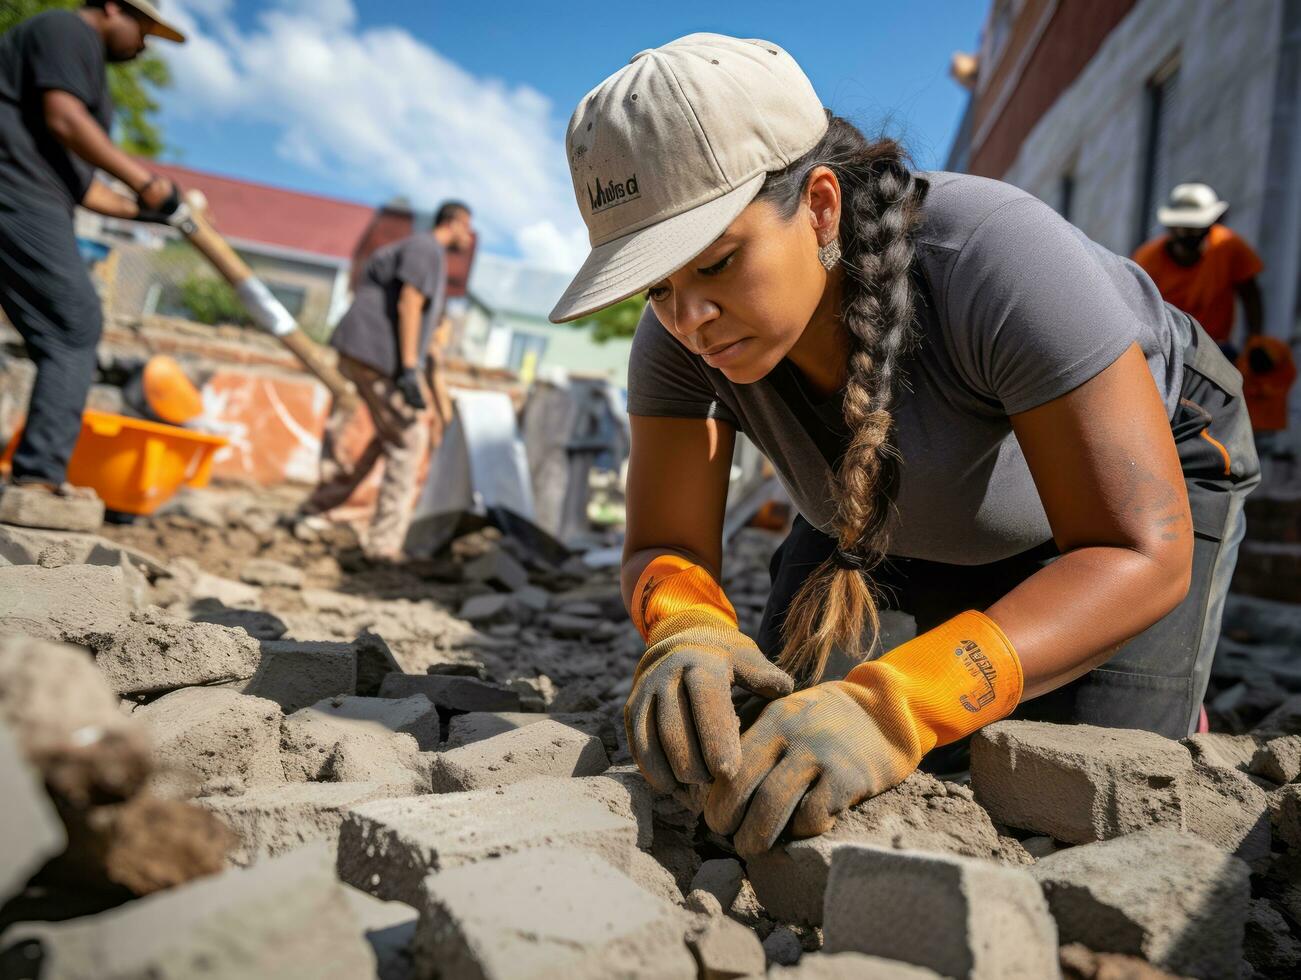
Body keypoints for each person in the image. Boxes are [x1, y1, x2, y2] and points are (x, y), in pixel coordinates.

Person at [547, 34, 1259, 857]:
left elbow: (1138, 548)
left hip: (1125, 502)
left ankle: (1165, 688)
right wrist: (687, 625)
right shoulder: (683, 335)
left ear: (819, 207)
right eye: (656, 286)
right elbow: (664, 544)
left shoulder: (995, 260)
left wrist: (898, 705)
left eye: (717, 263)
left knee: (1076, 795)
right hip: (877, 503)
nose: (687, 318)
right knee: (775, 750)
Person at [0, 1, 187, 523]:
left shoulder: (83, 71)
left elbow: (84, 188)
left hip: (29, 197)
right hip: (13, 194)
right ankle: (37, 480)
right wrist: (147, 182)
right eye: (145, 30)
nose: (145, 44)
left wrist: (150, 213)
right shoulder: (65, 31)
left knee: (58, 330)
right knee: (73, 324)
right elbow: (65, 118)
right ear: (111, 7)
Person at [303, 202, 475, 560]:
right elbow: (409, 303)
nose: (469, 236)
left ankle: (314, 513)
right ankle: (383, 546)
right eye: (467, 228)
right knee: (410, 439)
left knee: (385, 436)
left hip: (365, 350)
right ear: (455, 222)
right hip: (375, 352)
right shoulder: (426, 248)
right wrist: (408, 369)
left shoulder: (423, 251)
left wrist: (423, 376)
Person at [1133, 183, 1265, 359]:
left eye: (1194, 227)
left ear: (1211, 225)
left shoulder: (1228, 246)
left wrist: (1253, 340)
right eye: (1182, 226)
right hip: (1164, 351)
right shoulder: (1146, 259)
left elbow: (1250, 294)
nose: (1187, 233)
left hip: (1215, 349)